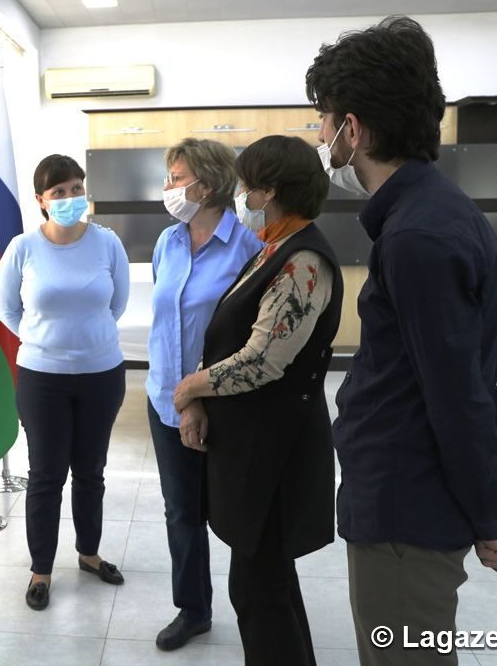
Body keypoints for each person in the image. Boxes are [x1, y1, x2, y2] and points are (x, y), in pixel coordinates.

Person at [305, 15, 497, 666]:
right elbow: (459, 381)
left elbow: (458, 399)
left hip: (404, 518)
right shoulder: (433, 214)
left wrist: (495, 518)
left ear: (352, 129)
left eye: (325, 122)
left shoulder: (418, 238)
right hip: (405, 500)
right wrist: (496, 505)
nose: (323, 138)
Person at [173, 135, 342, 666]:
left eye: (248, 184)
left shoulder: (303, 260)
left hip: (277, 451)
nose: (241, 193)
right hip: (256, 444)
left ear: (270, 190)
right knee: (268, 582)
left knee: (256, 590)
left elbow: (261, 359)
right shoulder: (273, 246)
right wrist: (199, 392)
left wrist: (189, 388)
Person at [0, 154, 130, 611]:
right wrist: (46, 341)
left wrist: (85, 342)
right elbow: (7, 310)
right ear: (41, 200)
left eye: (76, 188)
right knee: (47, 476)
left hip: (101, 374)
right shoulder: (23, 248)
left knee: (91, 471)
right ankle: (41, 570)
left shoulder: (107, 243)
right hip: (42, 378)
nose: (70, 199)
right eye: (59, 192)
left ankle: (89, 555)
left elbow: (117, 304)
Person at [146, 138, 262, 650]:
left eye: (175, 178)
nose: (168, 188)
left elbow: (246, 335)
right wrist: (177, 396)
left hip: (224, 406)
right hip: (163, 400)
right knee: (181, 511)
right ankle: (193, 610)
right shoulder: (166, 243)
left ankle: (258, 605)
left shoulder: (251, 249)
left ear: (206, 185)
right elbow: (168, 320)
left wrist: (200, 397)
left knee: (236, 509)